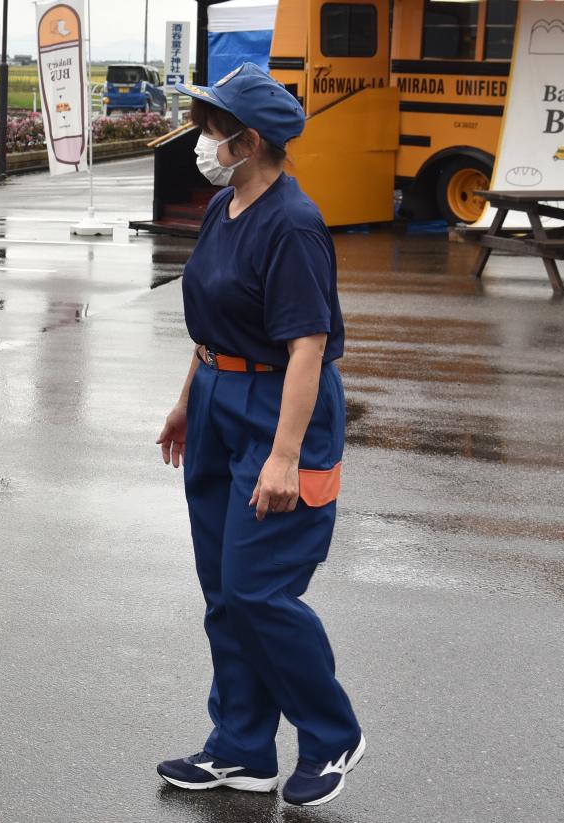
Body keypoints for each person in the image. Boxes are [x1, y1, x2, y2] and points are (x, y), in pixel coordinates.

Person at [153, 65, 366, 809]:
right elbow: (214, 318)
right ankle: (241, 748)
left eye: (211, 128)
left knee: (258, 589)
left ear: (247, 142)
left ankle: (332, 733)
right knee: (224, 593)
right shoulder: (226, 207)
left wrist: (283, 454)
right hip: (217, 399)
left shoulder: (294, 224)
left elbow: (309, 346)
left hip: (279, 410)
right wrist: (187, 400)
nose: (201, 140)